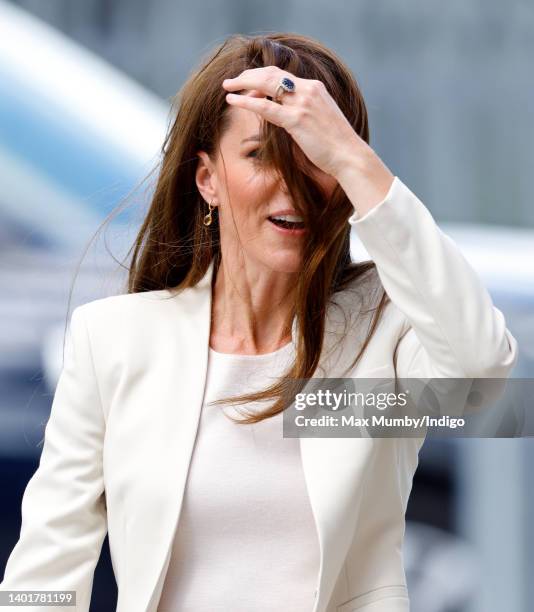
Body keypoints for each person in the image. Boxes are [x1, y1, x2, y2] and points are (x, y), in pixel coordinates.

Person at [0, 33, 518, 612]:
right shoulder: (114, 339)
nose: (293, 186)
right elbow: (43, 572)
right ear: (207, 180)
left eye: (314, 156)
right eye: (261, 155)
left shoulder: (385, 331)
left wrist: (350, 155)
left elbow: (480, 374)